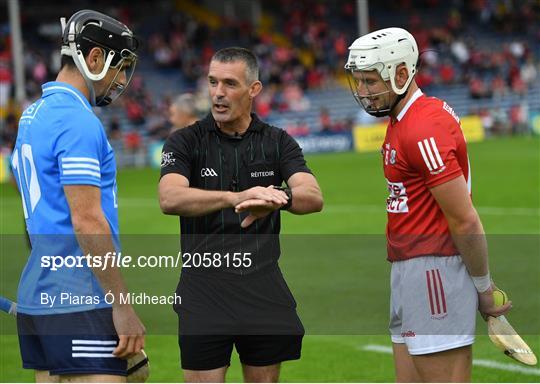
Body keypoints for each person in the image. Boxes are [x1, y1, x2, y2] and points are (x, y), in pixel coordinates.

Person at [344, 27, 512, 382]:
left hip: (436, 270)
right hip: (408, 269)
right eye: (358, 81)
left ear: (402, 74)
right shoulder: (401, 119)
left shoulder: (423, 127)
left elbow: (465, 220)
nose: (362, 91)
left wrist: (484, 290)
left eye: (370, 81)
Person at [159, 47, 323, 383]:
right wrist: (234, 197)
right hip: (203, 290)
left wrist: (280, 198)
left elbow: (313, 196)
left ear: (254, 89)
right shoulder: (184, 142)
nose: (218, 93)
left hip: (262, 287)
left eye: (230, 84)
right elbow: (169, 197)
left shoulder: (278, 142)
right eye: (213, 82)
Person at [11, 10, 144, 382]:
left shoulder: (32, 115)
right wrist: (122, 305)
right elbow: (86, 217)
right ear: (96, 58)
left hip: (42, 293)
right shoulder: (78, 120)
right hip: (80, 295)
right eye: (120, 66)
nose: (122, 80)